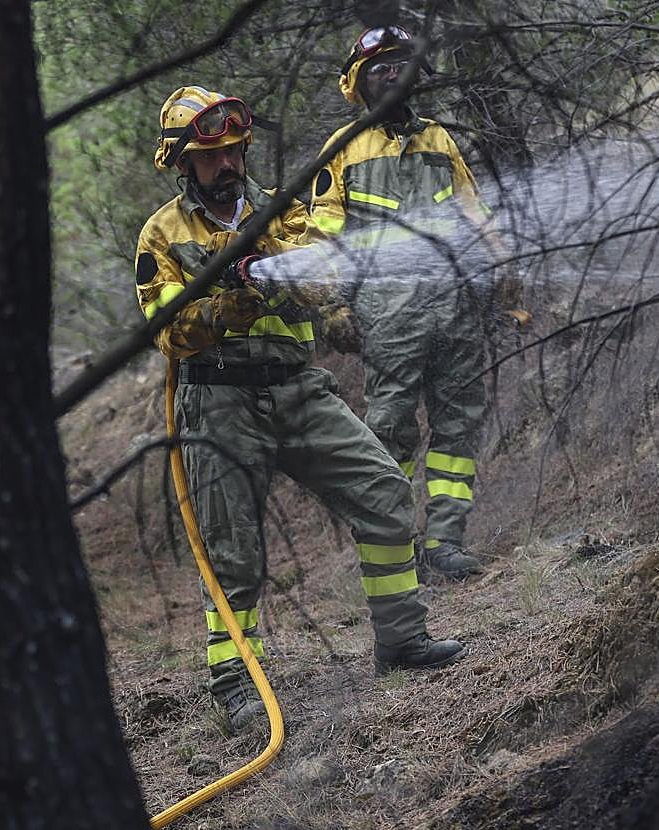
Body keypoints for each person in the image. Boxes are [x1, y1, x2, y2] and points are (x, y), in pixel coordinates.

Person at [135, 86, 465, 732]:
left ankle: (401, 641)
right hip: (219, 401)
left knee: (384, 492)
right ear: (183, 162)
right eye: (212, 156)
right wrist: (226, 303)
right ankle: (237, 685)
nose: (228, 165)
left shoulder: (279, 212)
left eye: (234, 151)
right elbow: (167, 328)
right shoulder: (163, 234)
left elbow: (327, 276)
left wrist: (274, 276)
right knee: (232, 554)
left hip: (298, 388)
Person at [309, 26, 525, 581]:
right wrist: (333, 303)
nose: (391, 71)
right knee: (390, 428)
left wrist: (503, 272)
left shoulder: (437, 140)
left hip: (453, 304)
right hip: (388, 311)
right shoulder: (343, 148)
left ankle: (446, 542)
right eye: (379, 65)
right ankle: (395, 545)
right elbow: (325, 235)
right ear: (356, 81)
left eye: (401, 62)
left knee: (458, 425)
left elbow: (473, 210)